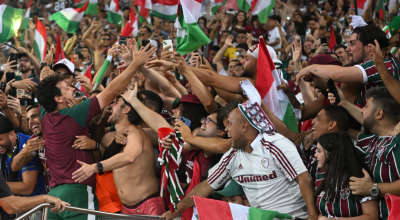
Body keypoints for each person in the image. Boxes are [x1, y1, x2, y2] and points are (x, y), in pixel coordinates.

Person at [35, 44, 156, 219]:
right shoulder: (75, 114)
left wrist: (45, 65)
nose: (71, 88)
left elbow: (43, 85)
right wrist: (135, 64)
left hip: (54, 195)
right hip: (78, 193)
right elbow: (112, 91)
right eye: (66, 88)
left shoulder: (44, 114)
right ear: (58, 98)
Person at [162, 94, 318, 219]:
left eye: (229, 124)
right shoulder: (233, 155)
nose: (227, 130)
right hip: (262, 217)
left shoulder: (275, 144)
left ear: (244, 126)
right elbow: (205, 186)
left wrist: (312, 216)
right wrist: (177, 210)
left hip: (292, 216)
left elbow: (304, 178)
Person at [72, 93, 164, 215]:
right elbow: (101, 155)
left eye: (115, 102)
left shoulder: (135, 132)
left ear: (126, 109)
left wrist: (94, 167)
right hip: (126, 209)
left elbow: (129, 156)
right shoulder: (110, 137)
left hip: (147, 206)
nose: (111, 106)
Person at [329, 87, 400, 220]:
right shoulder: (375, 140)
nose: (362, 110)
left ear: (379, 114)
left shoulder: (397, 141)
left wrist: (372, 188)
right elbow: (354, 133)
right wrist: (342, 104)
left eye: (366, 106)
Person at [296, 25, 398, 107]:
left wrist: (310, 68)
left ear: (369, 48)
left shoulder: (382, 65)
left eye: (352, 44)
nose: (347, 49)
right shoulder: (380, 64)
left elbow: (338, 74)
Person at [314, 132, 378, 219]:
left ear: (333, 153)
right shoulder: (322, 177)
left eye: (319, 151)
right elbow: (324, 213)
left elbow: (372, 217)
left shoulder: (359, 178)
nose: (315, 155)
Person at [0, 116, 45, 197]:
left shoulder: (28, 144)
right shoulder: (4, 149)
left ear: (12, 135)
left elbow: (27, 188)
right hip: (18, 204)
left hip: (38, 204)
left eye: (0, 140)